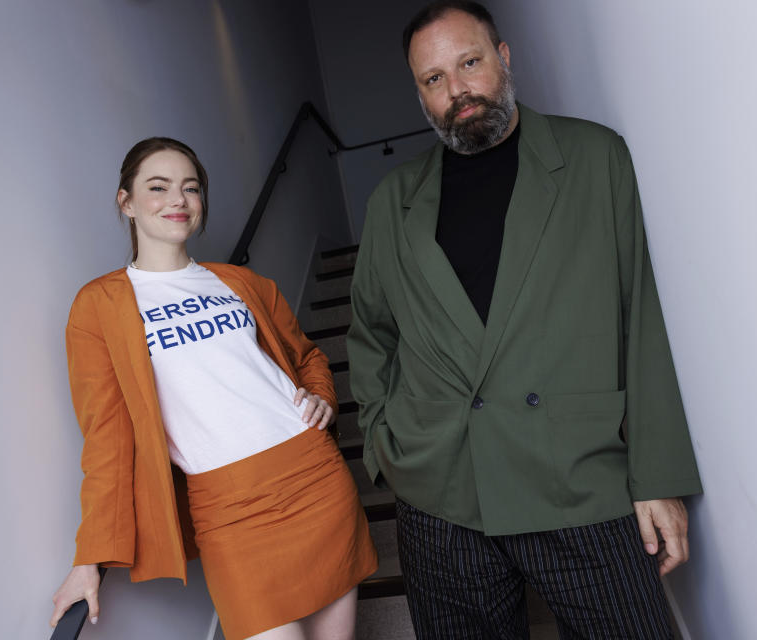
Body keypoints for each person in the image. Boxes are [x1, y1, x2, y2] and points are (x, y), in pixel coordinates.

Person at [346, 2, 702, 638]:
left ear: (503, 58)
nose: (458, 90)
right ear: (421, 96)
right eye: (434, 79)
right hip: (442, 495)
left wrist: (659, 477)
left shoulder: (595, 157)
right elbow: (371, 333)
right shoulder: (391, 202)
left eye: (470, 63)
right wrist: (384, 444)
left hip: (579, 477)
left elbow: (640, 318)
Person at [49, 137, 377, 640]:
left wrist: (321, 398)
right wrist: (88, 558)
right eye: (158, 187)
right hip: (228, 509)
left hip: (315, 480)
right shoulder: (99, 306)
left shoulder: (242, 283)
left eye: (191, 188)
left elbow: (306, 358)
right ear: (127, 201)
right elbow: (106, 439)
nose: (178, 200)